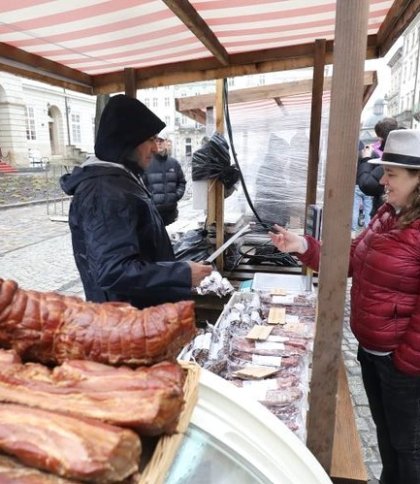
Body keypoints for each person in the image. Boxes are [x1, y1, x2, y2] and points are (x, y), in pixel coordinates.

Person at [269, 129, 420, 484]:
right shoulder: (387, 215)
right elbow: (349, 259)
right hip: (374, 353)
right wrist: (302, 245)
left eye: (392, 174)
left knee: (409, 447)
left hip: (402, 364)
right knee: (388, 439)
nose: (382, 180)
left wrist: (406, 360)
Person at [60, 94, 211, 309]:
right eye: (150, 139)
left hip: (140, 314)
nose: (156, 148)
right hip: (125, 322)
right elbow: (114, 270)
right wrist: (182, 274)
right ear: (127, 141)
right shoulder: (105, 192)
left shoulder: (119, 181)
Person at [143, 129, 186, 226]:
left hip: (171, 214)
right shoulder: (147, 163)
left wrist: (175, 196)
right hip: (153, 214)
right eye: (156, 141)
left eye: (161, 141)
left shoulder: (174, 163)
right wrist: (151, 201)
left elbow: (182, 182)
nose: (158, 144)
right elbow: (141, 186)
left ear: (167, 142)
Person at [357, 117, 398, 217]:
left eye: (391, 174)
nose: (383, 181)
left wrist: (366, 159)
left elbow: (367, 184)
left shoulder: (392, 153)